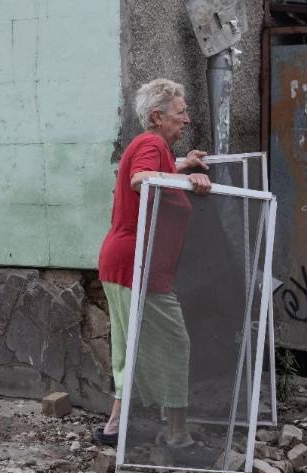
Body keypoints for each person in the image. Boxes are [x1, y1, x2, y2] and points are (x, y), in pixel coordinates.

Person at [95, 79, 211, 449]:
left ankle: (114, 427)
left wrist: (181, 166)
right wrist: (190, 181)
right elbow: (140, 178)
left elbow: (153, 170)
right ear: (158, 117)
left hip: (125, 263)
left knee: (130, 345)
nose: (187, 120)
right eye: (181, 113)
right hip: (136, 266)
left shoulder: (156, 147)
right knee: (174, 343)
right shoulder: (151, 142)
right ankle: (177, 434)